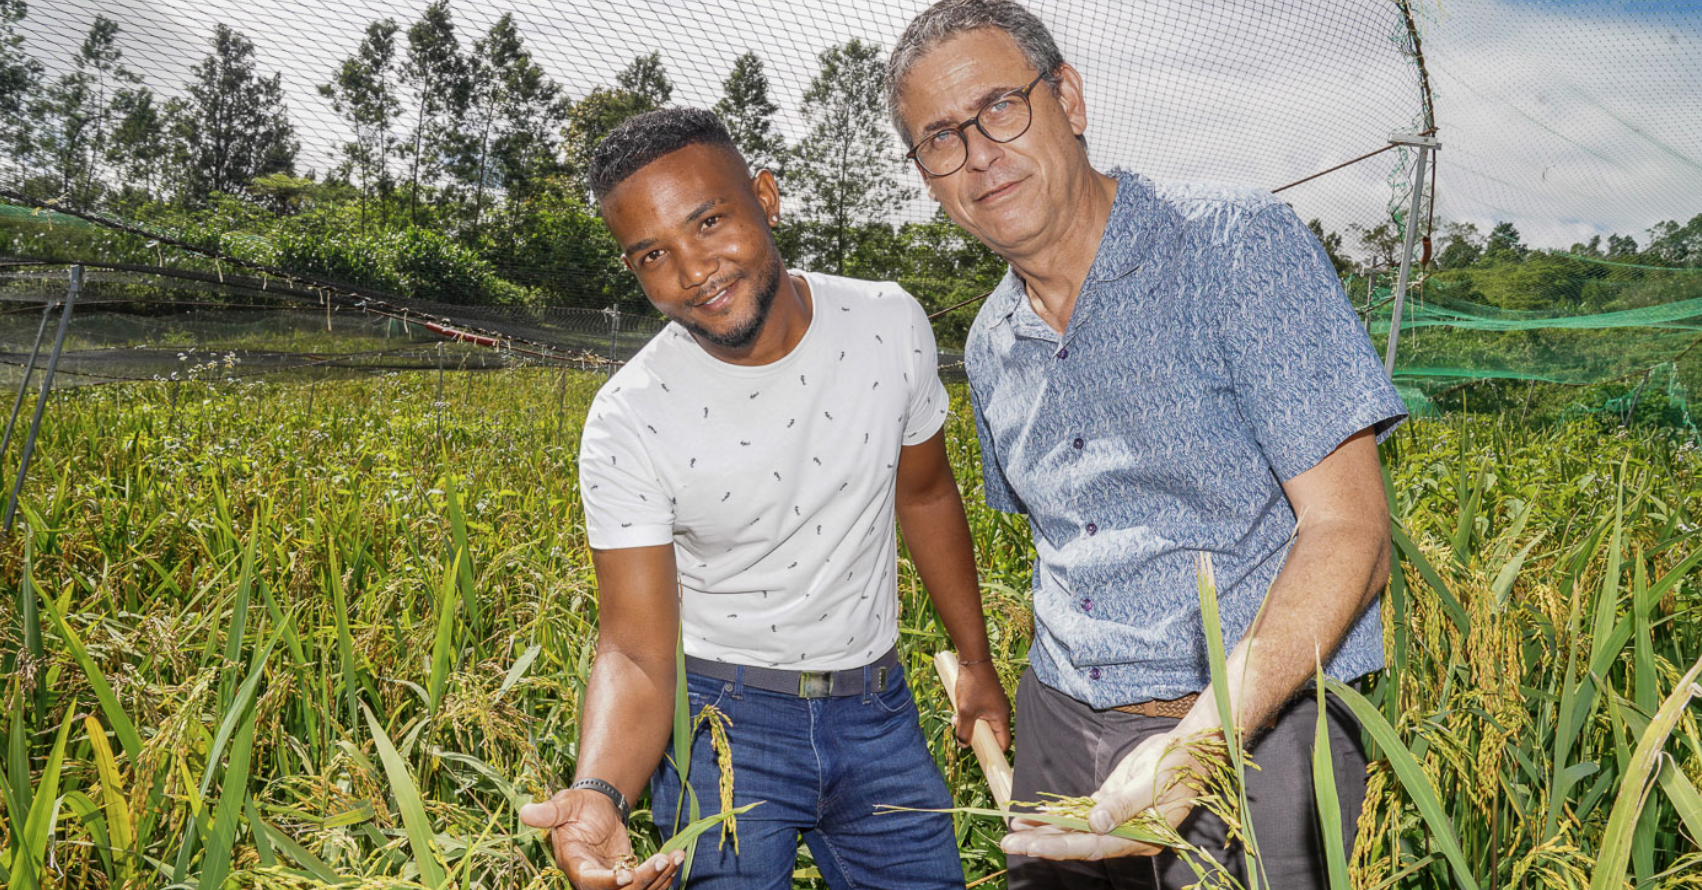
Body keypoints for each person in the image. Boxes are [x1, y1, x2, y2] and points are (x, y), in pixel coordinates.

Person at [885, 2, 1408, 888]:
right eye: (939, 139)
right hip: (1061, 718)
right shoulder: (988, 342)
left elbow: (1351, 533)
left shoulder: (1232, 248)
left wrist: (1199, 744)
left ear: (1070, 101)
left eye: (1000, 109)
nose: (978, 155)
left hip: (1260, 727)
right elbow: (1064, 545)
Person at [516, 107, 1011, 890]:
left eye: (710, 221)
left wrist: (976, 662)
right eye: (653, 255)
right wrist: (600, 789)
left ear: (766, 197)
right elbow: (637, 648)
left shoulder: (889, 324)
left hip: (877, 708)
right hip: (722, 725)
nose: (693, 271)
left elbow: (924, 495)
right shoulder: (629, 415)